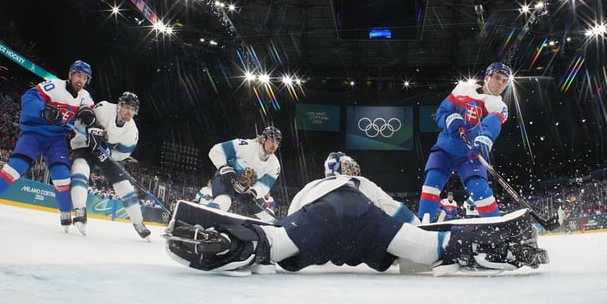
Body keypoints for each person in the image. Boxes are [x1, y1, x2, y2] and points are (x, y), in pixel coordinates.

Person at [163, 151, 547, 276]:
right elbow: (405, 217)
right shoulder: (362, 184)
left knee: (272, 246)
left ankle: (228, 243)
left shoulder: (310, 187)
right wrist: (419, 244)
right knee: (430, 249)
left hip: (317, 221)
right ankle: (489, 246)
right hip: (366, 223)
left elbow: (289, 221)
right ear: (350, 171)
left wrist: (275, 238)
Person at [0, 60, 94, 231]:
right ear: (70, 75)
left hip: (56, 139)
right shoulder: (54, 86)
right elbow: (28, 97)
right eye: (78, 75)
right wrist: (43, 110)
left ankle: (66, 213)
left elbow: (89, 117)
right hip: (34, 132)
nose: (80, 80)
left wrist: (89, 118)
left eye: (84, 78)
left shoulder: (86, 97)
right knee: (19, 165)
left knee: (62, 175)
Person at [417, 62, 513, 222]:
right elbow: (442, 112)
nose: (500, 83)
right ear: (487, 77)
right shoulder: (462, 90)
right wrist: (452, 119)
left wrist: (484, 139)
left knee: (481, 191)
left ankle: (496, 226)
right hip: (445, 149)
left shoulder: (500, 106)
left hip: (471, 154)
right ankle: (422, 223)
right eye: (497, 78)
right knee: (431, 183)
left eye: (504, 81)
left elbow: (492, 124)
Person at [68, 91, 151, 239]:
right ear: (119, 106)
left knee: (125, 185)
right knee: (80, 168)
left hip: (106, 154)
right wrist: (90, 132)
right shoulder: (103, 109)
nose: (129, 112)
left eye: (132, 109)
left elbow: (124, 154)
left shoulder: (132, 132)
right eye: (127, 107)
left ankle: (139, 223)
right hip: (85, 145)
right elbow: (82, 121)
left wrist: (109, 154)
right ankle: (80, 211)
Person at [201, 126, 283, 222]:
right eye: (272, 141)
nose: (274, 145)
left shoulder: (275, 165)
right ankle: (202, 220)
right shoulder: (246, 146)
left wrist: (254, 192)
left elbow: (264, 186)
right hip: (226, 179)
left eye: (277, 143)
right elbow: (216, 150)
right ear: (263, 139)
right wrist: (224, 168)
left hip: (246, 189)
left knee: (265, 214)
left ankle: (275, 232)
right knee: (224, 201)